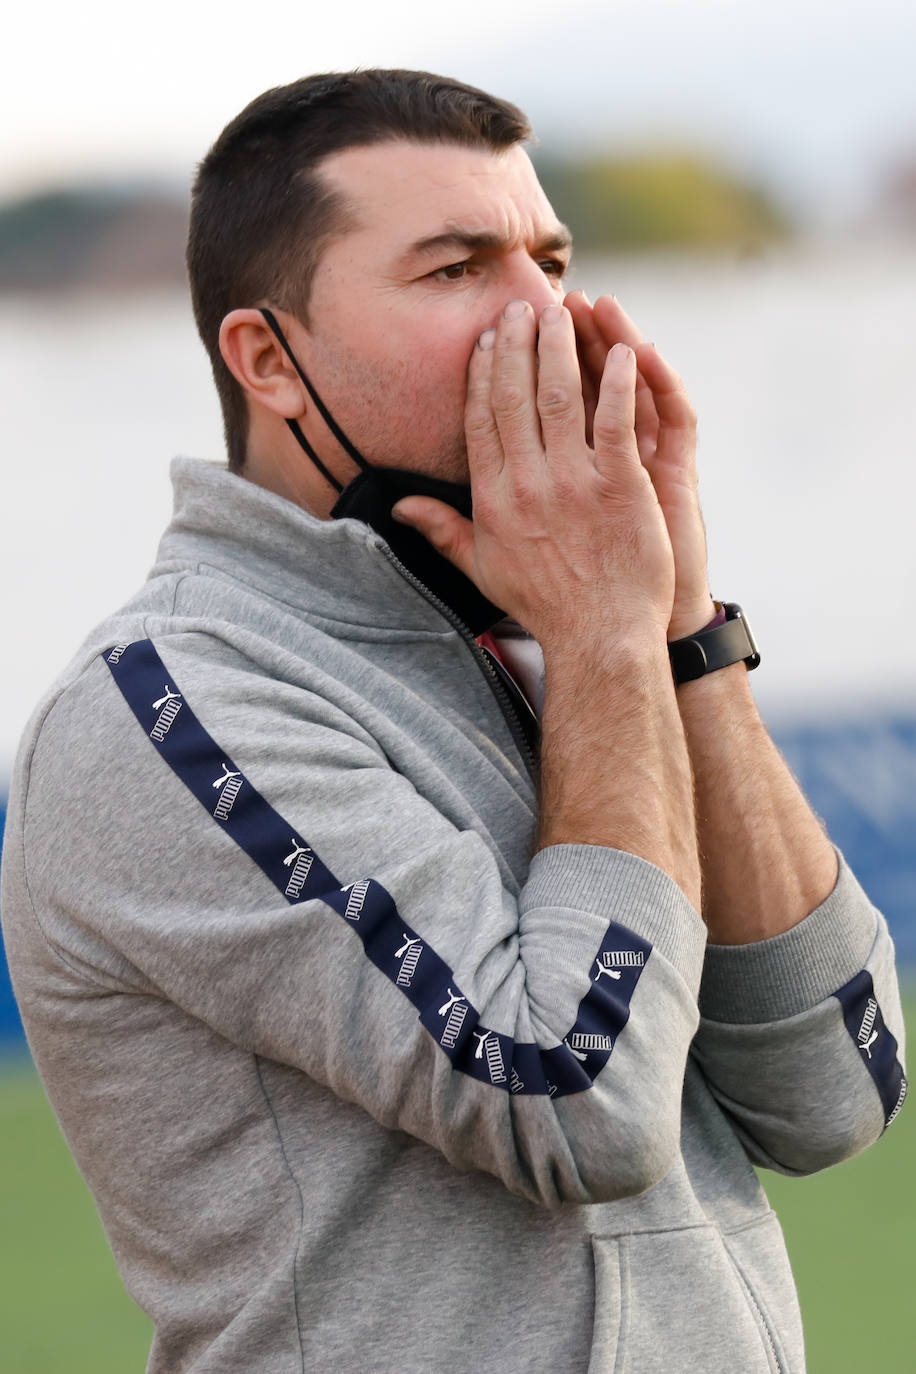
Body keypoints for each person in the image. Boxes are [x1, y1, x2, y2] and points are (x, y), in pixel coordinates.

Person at [0, 69, 907, 1374]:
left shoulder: (558, 639)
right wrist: (603, 637)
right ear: (269, 358)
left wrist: (678, 621)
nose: (551, 317)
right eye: (456, 269)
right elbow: (574, 1098)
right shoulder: (168, 708)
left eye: (553, 257)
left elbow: (835, 1090)